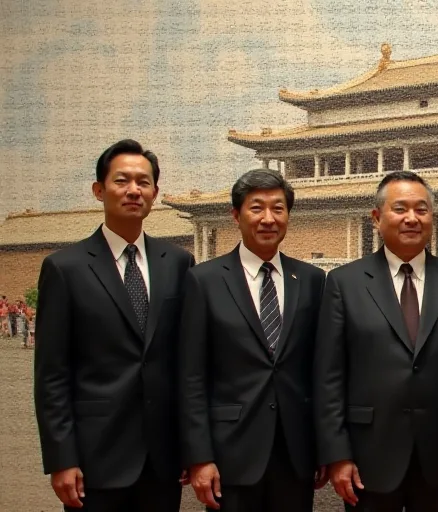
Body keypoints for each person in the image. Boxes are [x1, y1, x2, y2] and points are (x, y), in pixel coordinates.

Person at [34, 139, 194, 511]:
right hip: (95, 457)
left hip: (162, 458)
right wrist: (62, 458)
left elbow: (186, 364)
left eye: (144, 182)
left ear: (155, 193)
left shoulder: (178, 263)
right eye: (122, 181)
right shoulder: (65, 268)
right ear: (99, 190)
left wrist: (190, 446)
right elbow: (51, 374)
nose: (134, 191)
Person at [314, 171, 438, 512]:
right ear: (377, 218)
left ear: (432, 217)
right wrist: (338, 453)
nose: (411, 218)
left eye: (421, 209)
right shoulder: (344, 283)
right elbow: (329, 377)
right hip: (367, 454)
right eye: (400, 208)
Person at [179, 169, 328, 511]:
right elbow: (191, 377)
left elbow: (321, 371)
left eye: (278, 208)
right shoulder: (204, 281)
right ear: (236, 215)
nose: (268, 219)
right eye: (257, 208)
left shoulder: (312, 280)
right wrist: (200, 457)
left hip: (295, 452)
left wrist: (323, 447)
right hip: (231, 452)